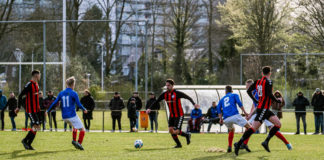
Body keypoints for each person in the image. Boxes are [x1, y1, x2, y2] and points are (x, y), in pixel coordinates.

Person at [234, 66, 290, 156]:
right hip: (263, 109)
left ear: (262, 73)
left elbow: (249, 91)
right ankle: (240, 144)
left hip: (264, 108)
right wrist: (277, 100)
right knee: (253, 128)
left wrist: (255, 100)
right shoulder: (269, 81)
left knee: (277, 124)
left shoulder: (258, 82)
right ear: (270, 73)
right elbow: (269, 94)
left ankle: (265, 142)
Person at [146, 79, 198, 148]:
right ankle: (179, 144)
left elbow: (188, 97)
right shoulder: (164, 94)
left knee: (176, 131)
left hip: (179, 115)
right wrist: (149, 108)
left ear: (172, 86)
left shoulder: (177, 93)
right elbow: (156, 101)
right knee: (171, 130)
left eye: (169, 85)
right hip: (172, 115)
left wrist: (194, 104)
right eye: (166, 85)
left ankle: (187, 135)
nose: (167, 87)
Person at [244, 79, 292, 151]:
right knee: (248, 127)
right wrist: (250, 114)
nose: (246, 87)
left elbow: (258, 105)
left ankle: (287, 144)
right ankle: (244, 144)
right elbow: (254, 105)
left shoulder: (257, 92)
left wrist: (250, 115)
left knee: (272, 129)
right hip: (259, 112)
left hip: (263, 112)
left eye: (247, 86)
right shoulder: (253, 92)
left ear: (251, 85)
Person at [47, 76, 88, 150]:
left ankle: (74, 140)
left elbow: (54, 103)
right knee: (82, 129)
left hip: (64, 117)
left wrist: (48, 110)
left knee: (75, 126)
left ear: (67, 84)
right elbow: (78, 104)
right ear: (73, 84)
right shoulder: (74, 93)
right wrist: (84, 109)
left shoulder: (61, 93)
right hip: (72, 115)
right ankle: (79, 143)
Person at [217, 86, 251, 153]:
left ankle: (229, 147)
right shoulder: (234, 95)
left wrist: (220, 119)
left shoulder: (222, 99)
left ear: (225, 91)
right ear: (232, 91)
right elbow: (239, 103)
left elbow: (218, 109)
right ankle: (244, 144)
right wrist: (245, 112)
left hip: (226, 119)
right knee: (250, 128)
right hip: (235, 115)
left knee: (232, 129)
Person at [16, 70, 42, 150]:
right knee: (36, 126)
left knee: (37, 127)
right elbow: (20, 95)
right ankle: (25, 141)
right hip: (31, 110)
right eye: (39, 75)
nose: (40, 76)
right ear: (36, 75)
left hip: (36, 110)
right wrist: (18, 107)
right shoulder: (29, 84)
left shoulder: (36, 85)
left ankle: (28, 143)